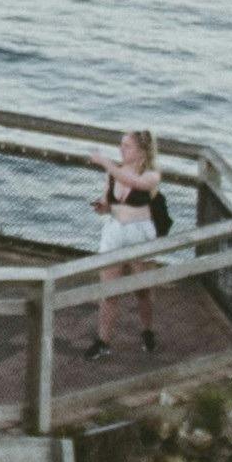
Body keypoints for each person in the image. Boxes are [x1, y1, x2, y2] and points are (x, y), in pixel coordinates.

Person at [89, 128, 161, 357]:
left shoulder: (151, 174)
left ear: (141, 152)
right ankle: (103, 341)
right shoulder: (113, 173)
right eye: (121, 144)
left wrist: (105, 162)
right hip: (114, 232)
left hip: (139, 235)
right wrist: (103, 207)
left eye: (127, 146)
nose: (121, 149)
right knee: (109, 291)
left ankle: (148, 331)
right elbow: (107, 201)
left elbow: (136, 183)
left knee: (142, 290)